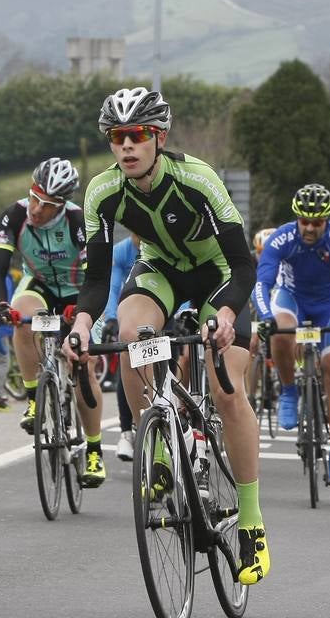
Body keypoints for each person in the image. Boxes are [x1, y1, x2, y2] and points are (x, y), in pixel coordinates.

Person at [64, 87, 270, 585]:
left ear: (158, 137)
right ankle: (154, 447)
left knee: (226, 389)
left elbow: (244, 265)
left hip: (218, 275)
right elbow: (94, 282)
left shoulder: (198, 179)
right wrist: (82, 323)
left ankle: (250, 523)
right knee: (133, 332)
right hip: (159, 270)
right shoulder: (101, 191)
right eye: (117, 137)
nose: (126, 146)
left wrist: (224, 314)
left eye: (137, 135)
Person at [0, 157, 107, 488]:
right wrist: (1, 304)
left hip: (76, 292)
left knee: (84, 363)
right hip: (38, 285)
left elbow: (94, 278)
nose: (37, 208)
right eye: (35, 197)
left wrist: (81, 315)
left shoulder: (76, 220)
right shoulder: (14, 214)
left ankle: (95, 451)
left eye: (47, 204)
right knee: (22, 319)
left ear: (62, 204)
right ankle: (32, 399)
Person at [254, 185, 330, 484]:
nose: (311, 228)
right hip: (293, 299)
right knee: (280, 330)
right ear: (297, 218)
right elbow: (262, 283)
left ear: (327, 221)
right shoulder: (282, 238)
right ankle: (289, 392)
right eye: (305, 221)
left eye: (317, 222)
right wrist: (265, 317)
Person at [101, 232, 141, 461]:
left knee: (177, 358)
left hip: (165, 309)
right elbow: (113, 287)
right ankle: (126, 433)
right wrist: (110, 317)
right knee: (126, 366)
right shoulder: (122, 251)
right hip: (129, 311)